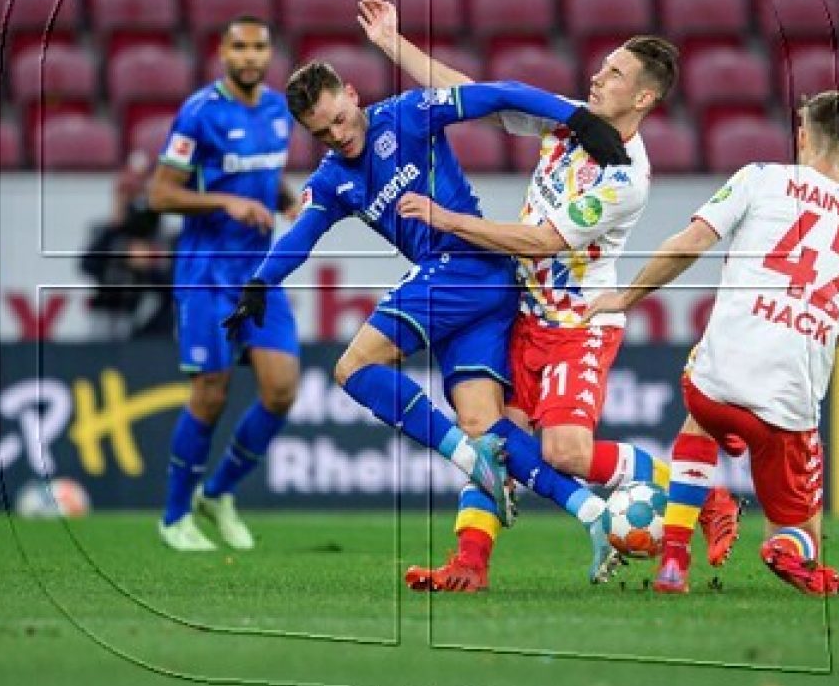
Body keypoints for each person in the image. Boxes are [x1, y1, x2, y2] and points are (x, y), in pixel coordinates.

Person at [358, 0, 740, 592]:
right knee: (491, 436)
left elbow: (539, 241)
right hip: (523, 315)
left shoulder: (624, 180)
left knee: (564, 453)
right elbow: (471, 92)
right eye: (604, 65)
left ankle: (702, 492)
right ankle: (470, 564)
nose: (597, 75)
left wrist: (446, 219)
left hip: (576, 325)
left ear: (643, 98)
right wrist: (392, 45)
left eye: (614, 73)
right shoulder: (567, 119)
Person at [226, 61, 657, 582]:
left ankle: (468, 461)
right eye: (321, 133)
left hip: (466, 266)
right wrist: (259, 282)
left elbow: (501, 92)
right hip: (482, 290)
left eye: (339, 119)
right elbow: (300, 236)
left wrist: (576, 117)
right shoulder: (334, 180)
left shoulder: (408, 115)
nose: (337, 137)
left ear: (353, 95)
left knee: (353, 368)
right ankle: (593, 515)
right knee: (484, 425)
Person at [586, 91, 839, 596]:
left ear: (802, 135)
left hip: (716, 383)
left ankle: (674, 560)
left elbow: (689, 244)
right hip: (789, 404)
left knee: (701, 403)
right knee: (800, 528)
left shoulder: (761, 178)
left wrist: (626, 296)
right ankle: (789, 549)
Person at [148, 15, 301, 552]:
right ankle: (173, 517)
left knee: (281, 390)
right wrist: (224, 201)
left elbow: (262, 174)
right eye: (240, 47)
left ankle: (217, 494)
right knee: (210, 394)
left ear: (270, 52)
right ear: (222, 51)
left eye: (260, 47)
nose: (250, 57)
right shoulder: (199, 114)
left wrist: (284, 199)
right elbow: (160, 195)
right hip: (207, 273)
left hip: (259, 275)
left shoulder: (282, 111)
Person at [80, 151, 174, 340]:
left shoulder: (164, 234)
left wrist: (151, 263)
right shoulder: (107, 232)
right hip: (110, 312)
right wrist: (119, 246)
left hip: (150, 319)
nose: (133, 200)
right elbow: (87, 266)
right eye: (127, 192)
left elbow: (173, 284)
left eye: (138, 191)